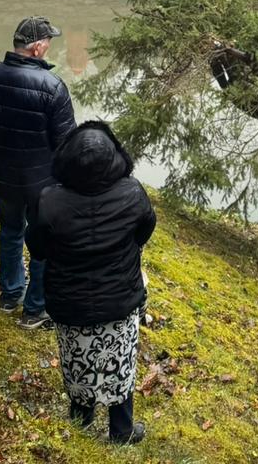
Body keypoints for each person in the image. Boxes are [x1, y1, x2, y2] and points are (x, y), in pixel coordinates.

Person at [28, 122, 156, 447]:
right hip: (121, 300)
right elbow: (145, 231)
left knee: (77, 361)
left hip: (69, 304)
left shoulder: (49, 201)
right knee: (121, 362)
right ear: (115, 157)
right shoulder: (133, 192)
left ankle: (80, 422)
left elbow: (38, 248)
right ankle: (121, 432)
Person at [0, 16, 76, 329]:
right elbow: (67, 143)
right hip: (42, 185)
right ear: (39, 48)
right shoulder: (53, 87)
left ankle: (9, 295)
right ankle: (35, 309)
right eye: (49, 42)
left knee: (10, 232)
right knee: (42, 243)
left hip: (1, 176)